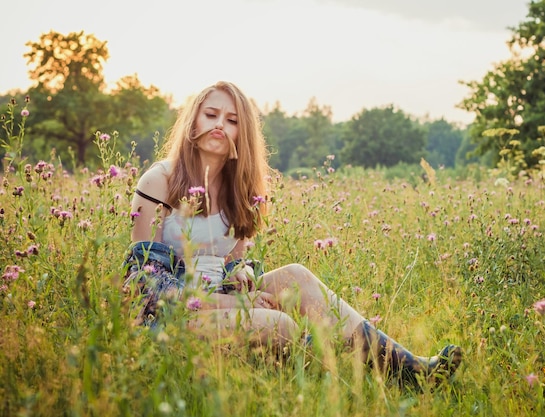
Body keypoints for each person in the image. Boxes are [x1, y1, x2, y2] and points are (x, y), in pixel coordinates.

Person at [122, 81, 462, 390]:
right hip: (172, 317)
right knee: (278, 324)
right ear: (193, 121)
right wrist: (236, 302)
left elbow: (229, 264)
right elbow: (146, 285)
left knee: (296, 276)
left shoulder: (237, 190)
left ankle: (408, 372)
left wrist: (242, 273)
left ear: (243, 132)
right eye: (211, 114)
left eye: (231, 120)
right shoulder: (160, 181)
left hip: (220, 304)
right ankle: (301, 380)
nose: (219, 125)